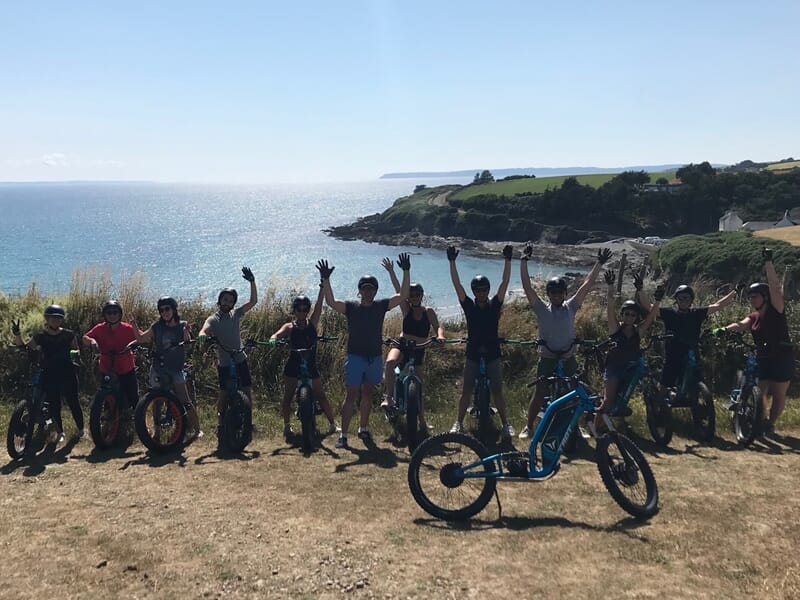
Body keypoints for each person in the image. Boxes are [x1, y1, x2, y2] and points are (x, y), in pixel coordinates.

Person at [317, 254, 409, 449]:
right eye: (365, 289)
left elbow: (402, 296)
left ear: (375, 291)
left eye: (371, 289)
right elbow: (332, 302)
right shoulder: (351, 307)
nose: (368, 292)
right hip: (356, 357)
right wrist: (326, 280)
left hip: (374, 357)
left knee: (367, 393)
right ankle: (343, 435)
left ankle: (363, 428)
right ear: (360, 291)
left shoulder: (380, 306)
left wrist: (405, 271)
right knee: (351, 395)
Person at [519, 246, 611, 438]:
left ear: (564, 294)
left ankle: (575, 427)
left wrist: (599, 264)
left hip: (568, 357)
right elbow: (527, 287)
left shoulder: (571, 307)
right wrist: (524, 261)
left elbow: (586, 285)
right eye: (553, 293)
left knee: (575, 393)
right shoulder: (541, 308)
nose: (557, 296)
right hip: (548, 358)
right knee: (539, 392)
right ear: (548, 294)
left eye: (560, 293)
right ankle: (529, 426)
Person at [713, 248, 793, 437]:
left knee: (779, 393)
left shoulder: (777, 310)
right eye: (749, 297)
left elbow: (775, 288)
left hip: (782, 356)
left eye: (754, 296)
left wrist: (769, 263)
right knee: (760, 392)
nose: (751, 299)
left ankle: (770, 424)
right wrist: (723, 329)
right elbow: (741, 325)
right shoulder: (754, 316)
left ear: (764, 297)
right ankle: (759, 421)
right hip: (763, 356)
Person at [447, 244, 514, 439]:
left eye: (484, 290)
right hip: (473, 352)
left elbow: (505, 282)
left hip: (493, 352)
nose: (482, 293)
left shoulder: (495, 305)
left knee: (498, 392)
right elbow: (457, 285)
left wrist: (508, 261)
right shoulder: (468, 306)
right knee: (466, 391)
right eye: (478, 290)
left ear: (488, 290)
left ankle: (506, 425)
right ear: (474, 291)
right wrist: (452, 262)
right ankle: (458, 423)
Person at [380, 257, 446, 433]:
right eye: (412, 295)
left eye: (417, 295)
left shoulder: (428, 311)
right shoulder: (406, 308)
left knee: (418, 388)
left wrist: (439, 336)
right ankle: (389, 398)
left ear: (422, 296)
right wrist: (393, 272)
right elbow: (398, 290)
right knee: (390, 363)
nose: (414, 297)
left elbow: (437, 326)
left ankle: (422, 422)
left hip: (419, 350)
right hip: (403, 345)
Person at [636, 275, 736, 394]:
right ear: (676, 299)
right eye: (681, 298)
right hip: (673, 351)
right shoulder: (669, 313)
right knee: (666, 382)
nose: (684, 301)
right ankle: (659, 404)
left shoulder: (696, 313)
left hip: (692, 350)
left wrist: (735, 291)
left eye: (687, 298)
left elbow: (718, 306)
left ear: (691, 300)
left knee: (698, 376)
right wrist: (640, 289)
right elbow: (649, 307)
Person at [269, 288, 340, 439]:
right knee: (288, 397)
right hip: (293, 366)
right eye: (298, 310)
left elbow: (319, 307)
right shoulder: (289, 326)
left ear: (308, 311)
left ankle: (333, 424)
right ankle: (287, 426)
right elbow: (277, 334)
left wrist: (322, 287)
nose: (302, 313)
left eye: (305, 310)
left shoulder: (312, 324)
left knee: (321, 396)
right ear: (294, 311)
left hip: (311, 365)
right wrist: (274, 339)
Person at [198, 267, 258, 440]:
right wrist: (202, 336)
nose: (227, 303)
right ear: (219, 301)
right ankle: (220, 423)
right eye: (224, 299)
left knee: (246, 390)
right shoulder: (213, 319)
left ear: (233, 303)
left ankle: (249, 422)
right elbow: (205, 329)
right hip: (224, 362)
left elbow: (253, 301)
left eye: (230, 301)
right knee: (224, 392)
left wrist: (252, 282)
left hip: (240, 358)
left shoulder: (236, 314)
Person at [597, 271, 662, 427]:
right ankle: (595, 428)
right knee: (608, 401)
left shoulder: (637, 331)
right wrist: (611, 286)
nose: (629, 317)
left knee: (624, 396)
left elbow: (651, 317)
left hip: (629, 367)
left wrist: (657, 300)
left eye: (633, 315)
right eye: (626, 314)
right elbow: (610, 305)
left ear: (636, 317)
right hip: (613, 368)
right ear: (622, 315)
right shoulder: (615, 329)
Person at [12, 304, 83, 442]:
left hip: (67, 372)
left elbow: (75, 350)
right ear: (47, 319)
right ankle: (60, 432)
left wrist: (76, 361)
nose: (55, 320)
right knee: (54, 403)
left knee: (73, 401)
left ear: (62, 320)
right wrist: (17, 335)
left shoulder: (69, 334)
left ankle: (81, 429)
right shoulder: (41, 336)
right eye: (52, 318)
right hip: (50, 373)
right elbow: (25, 347)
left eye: (58, 318)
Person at [131, 296, 200, 438]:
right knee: (156, 401)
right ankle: (157, 431)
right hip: (158, 368)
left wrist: (186, 333)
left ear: (174, 309)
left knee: (185, 400)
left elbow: (188, 347)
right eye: (161, 310)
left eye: (167, 309)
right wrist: (134, 326)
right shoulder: (156, 327)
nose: (165, 312)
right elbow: (142, 339)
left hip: (176, 369)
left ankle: (196, 429)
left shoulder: (182, 325)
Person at [83, 300, 140, 415]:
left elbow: (142, 338)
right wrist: (92, 341)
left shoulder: (127, 328)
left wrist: (134, 343)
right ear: (105, 315)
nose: (112, 315)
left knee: (132, 395)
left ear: (120, 314)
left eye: (115, 312)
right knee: (106, 394)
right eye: (109, 313)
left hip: (126, 368)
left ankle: (136, 419)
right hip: (106, 367)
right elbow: (85, 338)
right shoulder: (100, 328)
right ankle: (110, 420)